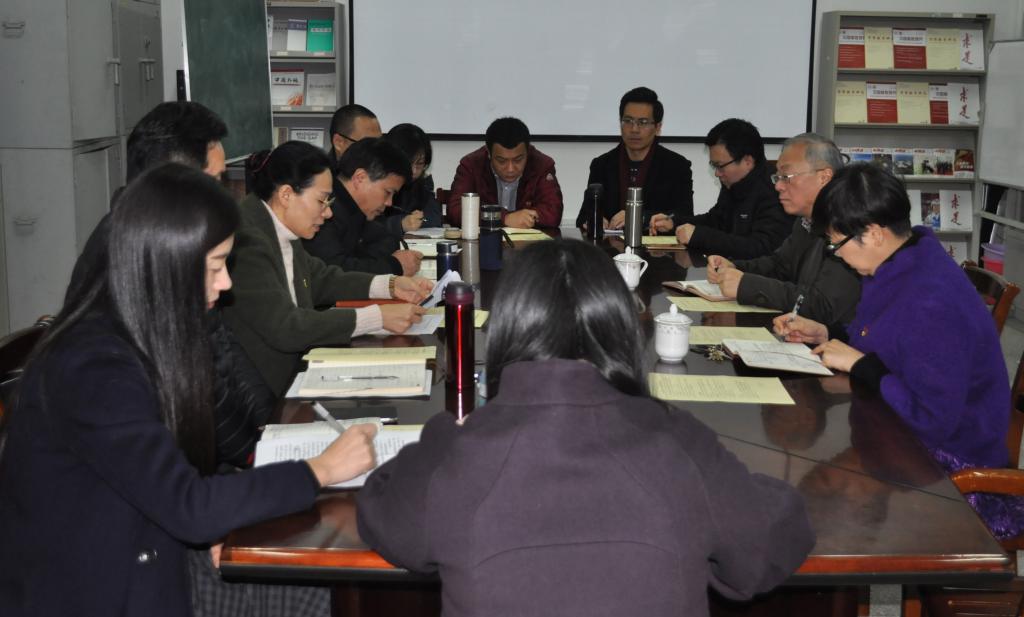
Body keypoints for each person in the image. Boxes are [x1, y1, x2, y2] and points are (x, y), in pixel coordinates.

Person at [357, 239, 814, 617]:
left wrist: (438, 442)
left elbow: (385, 515)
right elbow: (768, 546)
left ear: (506, 329)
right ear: (622, 328)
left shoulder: (456, 450)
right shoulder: (679, 443)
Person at [0, 163, 378, 617]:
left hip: (154, 547)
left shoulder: (144, 330)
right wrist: (320, 469)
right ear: (165, 264)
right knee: (314, 586)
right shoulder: (94, 367)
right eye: (215, 266)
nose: (226, 282)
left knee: (314, 583)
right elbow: (188, 506)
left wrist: (224, 516)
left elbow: (178, 482)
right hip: (100, 587)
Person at [774, 163, 1022, 540]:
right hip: (902, 438)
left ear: (873, 234)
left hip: (949, 468)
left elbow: (932, 418)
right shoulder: (902, 261)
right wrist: (827, 332)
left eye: (836, 244)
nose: (836, 255)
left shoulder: (931, 299)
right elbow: (884, 337)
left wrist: (861, 365)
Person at [223, 141, 430, 396]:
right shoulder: (247, 240)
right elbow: (286, 327)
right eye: (322, 200)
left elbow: (320, 278)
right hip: (270, 390)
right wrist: (376, 317)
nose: (329, 213)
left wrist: (389, 285)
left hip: (296, 371)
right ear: (286, 195)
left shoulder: (281, 225)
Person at [706, 133, 861, 328]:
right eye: (777, 177)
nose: (778, 186)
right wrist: (734, 268)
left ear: (824, 177)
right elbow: (779, 266)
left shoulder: (848, 227)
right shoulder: (805, 220)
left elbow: (822, 305)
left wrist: (746, 285)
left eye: (786, 177)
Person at [648, 118, 792, 259]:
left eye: (720, 166)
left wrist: (699, 236)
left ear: (747, 161)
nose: (717, 173)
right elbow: (715, 220)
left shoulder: (777, 190)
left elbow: (761, 247)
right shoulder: (733, 181)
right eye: (714, 166)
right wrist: (674, 223)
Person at [575, 87, 693, 230]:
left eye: (643, 122)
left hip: (654, 243)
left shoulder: (677, 166)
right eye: (628, 121)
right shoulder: (601, 165)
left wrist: (640, 217)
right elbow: (583, 216)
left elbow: (684, 216)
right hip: (611, 243)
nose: (634, 129)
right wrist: (594, 219)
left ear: (657, 127)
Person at [304, 137, 424, 276]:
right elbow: (332, 271)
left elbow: (387, 240)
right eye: (387, 192)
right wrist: (394, 266)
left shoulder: (358, 210)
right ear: (360, 178)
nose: (389, 203)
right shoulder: (324, 209)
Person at [446, 117, 563, 228]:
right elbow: (455, 210)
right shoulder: (471, 165)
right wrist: (504, 218)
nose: (510, 169)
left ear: (527, 153)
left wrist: (523, 218)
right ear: (489, 154)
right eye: (501, 161)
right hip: (485, 241)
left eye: (518, 160)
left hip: (527, 242)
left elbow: (553, 213)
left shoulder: (541, 165)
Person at [381, 122, 444, 232]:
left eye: (419, 164)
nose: (413, 171)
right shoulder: (376, 182)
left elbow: (434, 220)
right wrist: (400, 224)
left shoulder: (421, 184)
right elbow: (365, 226)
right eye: (408, 163)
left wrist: (418, 220)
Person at [328, 103, 382, 167]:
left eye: (379, 144)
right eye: (366, 145)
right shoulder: (322, 172)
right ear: (339, 142)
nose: (376, 153)